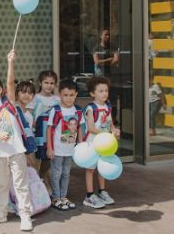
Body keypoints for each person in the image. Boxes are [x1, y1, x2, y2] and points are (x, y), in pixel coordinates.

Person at [0, 51, 32, 232]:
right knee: (0, 184)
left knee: (20, 184)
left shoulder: (8, 102)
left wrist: (10, 62)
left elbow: (10, 82)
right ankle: (1, 212)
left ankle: (25, 214)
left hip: (16, 151)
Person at [82, 76, 120, 209]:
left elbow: (110, 123)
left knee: (102, 168)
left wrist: (114, 131)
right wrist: (107, 134)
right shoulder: (91, 108)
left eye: (106, 90)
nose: (104, 93)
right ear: (93, 93)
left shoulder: (108, 106)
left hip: (105, 144)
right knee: (90, 169)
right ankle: (89, 195)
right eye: (100, 91)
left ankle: (102, 191)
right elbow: (91, 128)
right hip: (92, 143)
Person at [46, 79, 83, 211]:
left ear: (76, 95)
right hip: (57, 150)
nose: (68, 98)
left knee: (66, 173)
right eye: (65, 95)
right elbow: (49, 129)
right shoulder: (56, 110)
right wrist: (49, 148)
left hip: (70, 150)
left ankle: (64, 196)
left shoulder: (78, 110)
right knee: (56, 173)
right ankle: (56, 198)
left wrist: (81, 144)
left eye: (71, 95)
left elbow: (79, 128)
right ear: (60, 95)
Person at [28, 69, 59, 187]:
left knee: (48, 160)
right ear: (40, 83)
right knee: (36, 160)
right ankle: (36, 186)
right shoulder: (34, 98)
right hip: (37, 135)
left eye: (52, 83)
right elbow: (29, 114)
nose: (49, 86)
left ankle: (44, 181)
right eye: (46, 82)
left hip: (52, 136)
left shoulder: (57, 99)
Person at [14, 80, 37, 170]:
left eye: (30, 93)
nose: (27, 95)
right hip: (19, 148)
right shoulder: (15, 110)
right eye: (23, 92)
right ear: (17, 93)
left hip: (28, 146)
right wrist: (25, 154)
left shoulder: (28, 112)